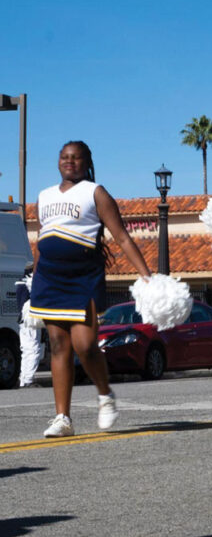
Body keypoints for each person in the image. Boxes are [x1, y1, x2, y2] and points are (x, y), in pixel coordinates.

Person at [31, 141, 152, 436]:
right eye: (64, 157)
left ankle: (105, 395)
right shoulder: (44, 196)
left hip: (82, 277)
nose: (69, 161)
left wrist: (147, 276)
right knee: (58, 346)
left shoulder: (95, 192)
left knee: (84, 346)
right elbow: (41, 240)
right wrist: (32, 282)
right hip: (49, 277)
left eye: (76, 158)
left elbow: (122, 237)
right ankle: (63, 418)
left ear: (87, 163)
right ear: (58, 161)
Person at [16, 273, 44, 388]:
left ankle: (23, 378)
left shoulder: (20, 283)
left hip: (24, 320)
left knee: (26, 350)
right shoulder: (31, 281)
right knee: (33, 349)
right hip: (31, 320)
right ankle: (28, 379)